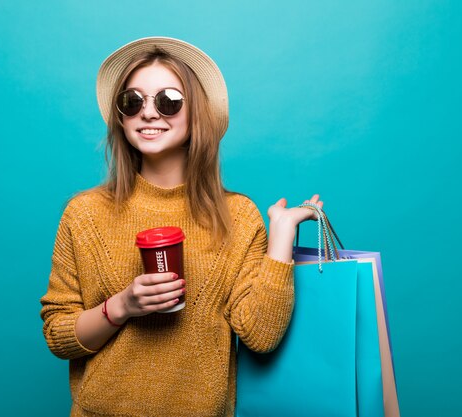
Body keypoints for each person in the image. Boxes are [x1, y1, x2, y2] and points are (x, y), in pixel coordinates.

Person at [39, 36, 325, 417]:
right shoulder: (85, 213)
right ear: (121, 116)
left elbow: (261, 334)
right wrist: (122, 306)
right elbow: (59, 335)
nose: (149, 113)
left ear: (198, 114)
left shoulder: (237, 216)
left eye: (168, 101)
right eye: (132, 101)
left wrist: (282, 238)